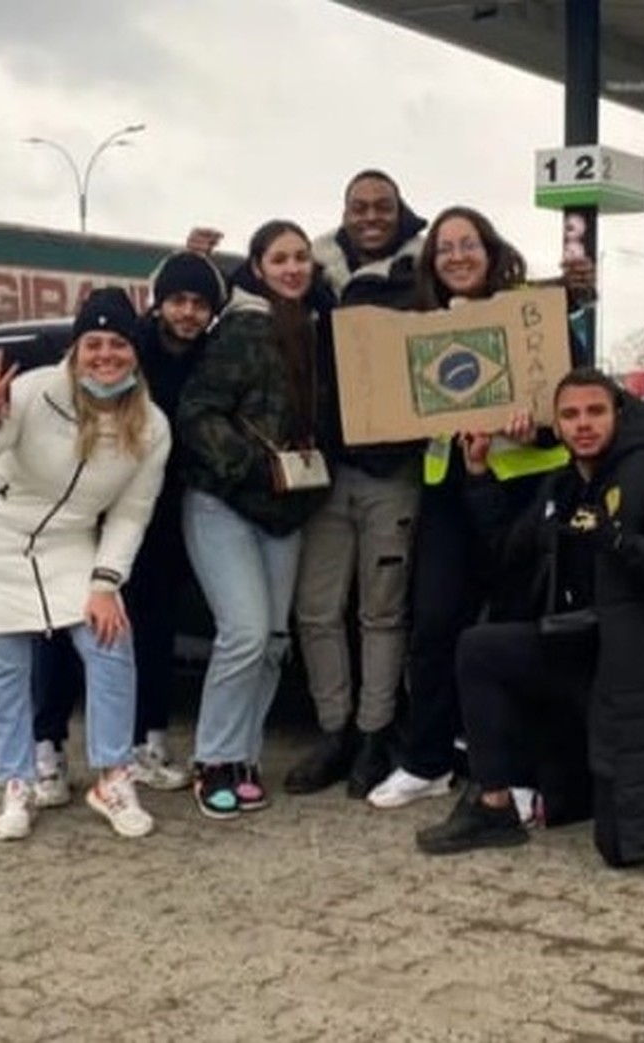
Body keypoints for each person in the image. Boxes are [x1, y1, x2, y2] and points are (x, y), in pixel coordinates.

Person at [415, 368, 644, 864]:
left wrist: (616, 541)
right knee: (480, 649)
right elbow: (507, 552)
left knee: (620, 849)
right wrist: (479, 475)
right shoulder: (563, 487)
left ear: (618, 414)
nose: (583, 424)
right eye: (570, 415)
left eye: (595, 411)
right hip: (585, 648)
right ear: (558, 426)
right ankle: (494, 807)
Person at [367, 205, 593, 811]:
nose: (457, 257)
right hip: (448, 488)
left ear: (491, 252)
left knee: (514, 630)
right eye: (444, 249)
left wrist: (533, 428)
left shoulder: (532, 315)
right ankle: (427, 761)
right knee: (435, 623)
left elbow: (575, 403)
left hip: (526, 488)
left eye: (468, 245)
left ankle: (517, 770)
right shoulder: (421, 324)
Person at [0, 288, 171, 840]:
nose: (106, 355)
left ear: (135, 352)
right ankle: (17, 783)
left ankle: (112, 778)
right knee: (5, 668)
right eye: (94, 343)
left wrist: (106, 583)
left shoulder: (152, 425)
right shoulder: (32, 391)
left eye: (118, 343)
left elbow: (131, 513)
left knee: (111, 643)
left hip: (66, 542)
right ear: (76, 348)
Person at [31, 251, 229, 807]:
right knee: (61, 635)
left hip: (157, 517)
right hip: (79, 520)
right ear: (158, 305)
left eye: (200, 303)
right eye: (177, 300)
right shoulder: (121, 345)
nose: (188, 312)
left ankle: (146, 743)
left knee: (151, 632)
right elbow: (41, 368)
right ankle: (47, 749)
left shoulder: (211, 356)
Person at [279, 170, 428, 799]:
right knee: (316, 609)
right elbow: (250, 285)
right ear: (343, 212)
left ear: (400, 210)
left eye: (382, 206)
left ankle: (374, 733)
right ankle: (334, 730)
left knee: (382, 612)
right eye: (359, 207)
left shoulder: (425, 273)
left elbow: (493, 299)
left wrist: (567, 294)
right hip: (325, 471)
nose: (370, 216)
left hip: (395, 472)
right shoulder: (315, 273)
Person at [178, 220, 333, 819]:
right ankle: (213, 760)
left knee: (272, 641)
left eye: (301, 258)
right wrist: (254, 467)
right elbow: (198, 412)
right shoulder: (242, 327)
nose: (293, 269)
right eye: (280, 259)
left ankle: (244, 757)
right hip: (224, 502)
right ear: (259, 267)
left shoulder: (316, 327)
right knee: (243, 633)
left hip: (285, 511)